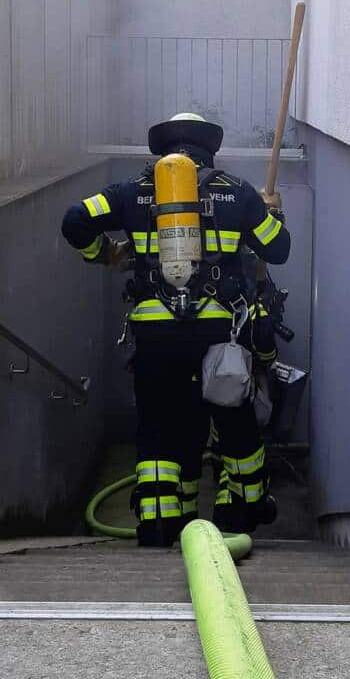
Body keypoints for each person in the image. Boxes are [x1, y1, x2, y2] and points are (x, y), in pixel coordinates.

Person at [61, 112, 291, 547]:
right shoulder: (236, 192)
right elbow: (278, 250)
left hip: (155, 337)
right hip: (218, 336)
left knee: (159, 426)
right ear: (210, 148)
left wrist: (104, 253)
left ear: (161, 149)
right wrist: (272, 214)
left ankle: (162, 524)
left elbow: (75, 221)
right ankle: (237, 517)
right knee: (233, 421)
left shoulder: (130, 192)